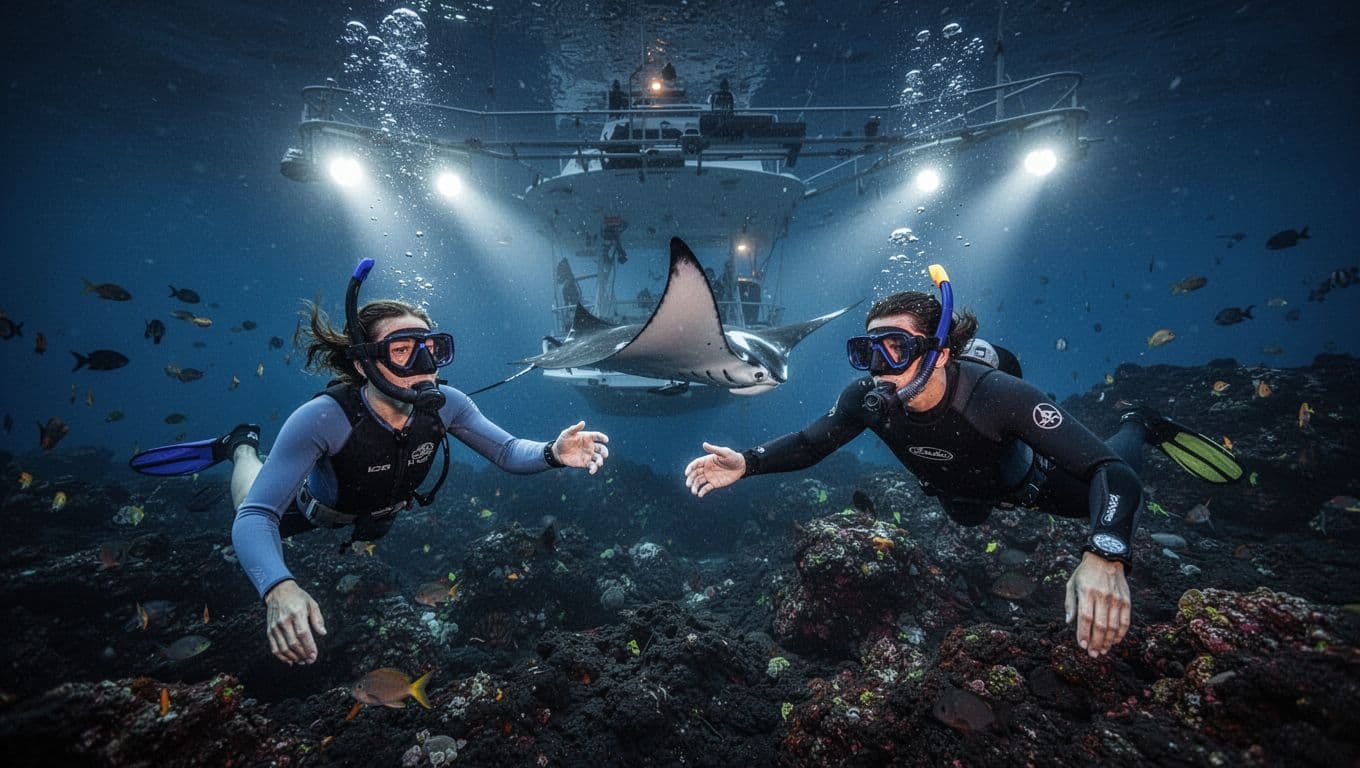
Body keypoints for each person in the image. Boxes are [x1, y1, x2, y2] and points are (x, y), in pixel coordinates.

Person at [683, 266, 1241, 659]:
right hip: (957, 494)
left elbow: (1112, 475)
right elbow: (810, 444)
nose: (879, 368)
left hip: (1029, 485)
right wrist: (748, 463)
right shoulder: (865, 400)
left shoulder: (998, 396)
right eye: (867, 351)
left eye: (896, 348)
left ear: (940, 353)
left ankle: (1141, 422)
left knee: (1117, 477)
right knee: (968, 516)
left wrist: (1106, 553)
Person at [131, 259, 611, 665]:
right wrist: (278, 587)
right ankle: (241, 445)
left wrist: (552, 452)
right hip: (315, 512)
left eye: (431, 349)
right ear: (364, 364)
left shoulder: (448, 404)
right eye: (402, 351)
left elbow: (506, 451)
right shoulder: (323, 417)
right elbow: (257, 516)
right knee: (248, 502)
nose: (423, 365)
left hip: (380, 514)